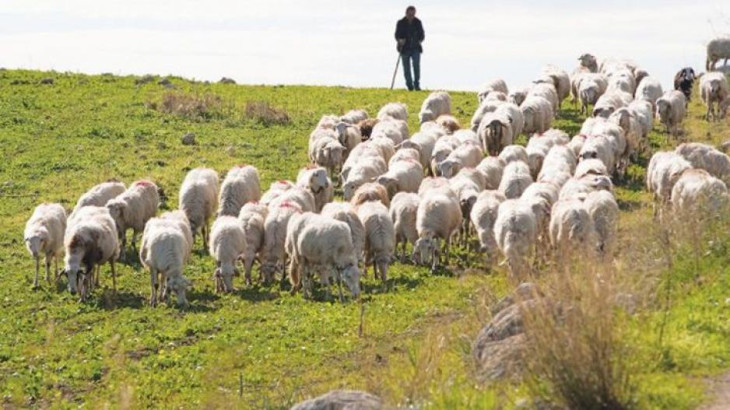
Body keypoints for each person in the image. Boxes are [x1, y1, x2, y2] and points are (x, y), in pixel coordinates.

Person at [395, 6, 425, 91]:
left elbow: (422, 34)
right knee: (406, 68)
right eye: (410, 14)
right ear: (406, 13)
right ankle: (410, 86)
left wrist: (420, 40)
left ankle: (417, 85)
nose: (411, 15)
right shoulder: (400, 22)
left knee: (416, 66)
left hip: (416, 48)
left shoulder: (418, 22)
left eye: (413, 14)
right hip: (404, 48)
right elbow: (396, 35)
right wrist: (400, 40)